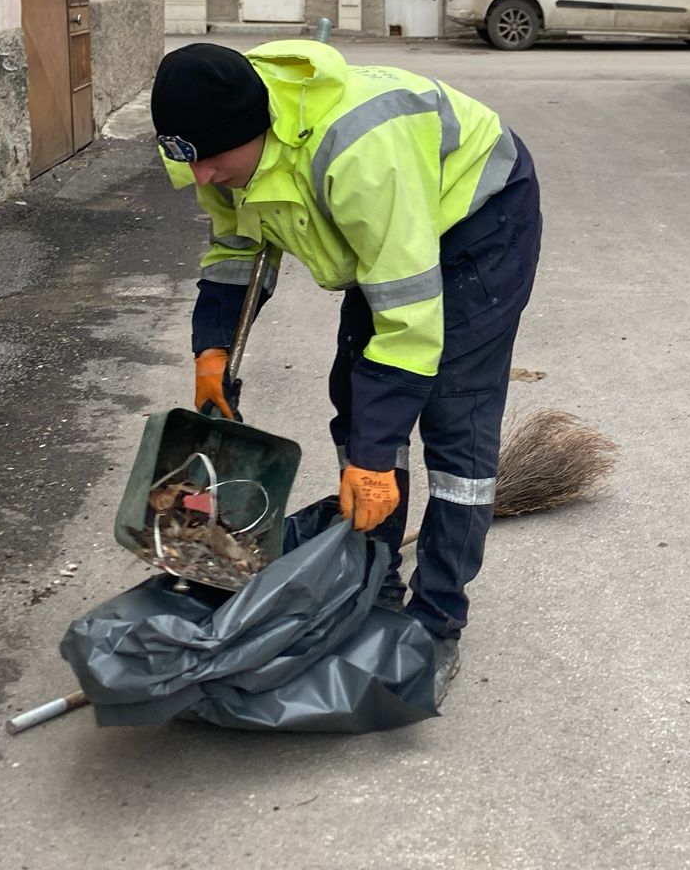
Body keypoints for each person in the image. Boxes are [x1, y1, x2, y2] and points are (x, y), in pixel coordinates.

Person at [151, 40, 542, 705]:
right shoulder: (206, 150)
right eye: (190, 161)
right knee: (357, 401)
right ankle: (374, 578)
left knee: (454, 422)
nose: (202, 179)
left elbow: (408, 327)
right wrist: (212, 348)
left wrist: (372, 458)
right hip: (390, 231)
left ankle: (437, 620)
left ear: (259, 132)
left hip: (479, 219)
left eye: (215, 161)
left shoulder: (358, 151)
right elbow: (236, 246)